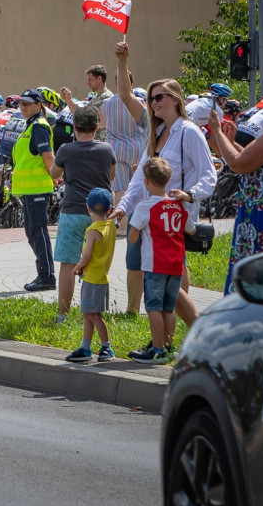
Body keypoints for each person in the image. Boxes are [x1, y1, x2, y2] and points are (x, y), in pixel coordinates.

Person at [110, 62, 216, 330]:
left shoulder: (189, 132)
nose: (153, 103)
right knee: (163, 276)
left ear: (175, 99)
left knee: (167, 277)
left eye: (158, 97)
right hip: (153, 217)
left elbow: (209, 175)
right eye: (150, 98)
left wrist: (190, 195)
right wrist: (123, 206)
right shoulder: (156, 134)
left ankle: (190, 331)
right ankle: (174, 334)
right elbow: (139, 179)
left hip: (174, 218)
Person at [208, 77, 263, 294]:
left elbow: (239, 164)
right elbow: (256, 163)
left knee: (255, 291)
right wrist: (227, 143)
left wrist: (217, 131)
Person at [49, 107, 116, 322]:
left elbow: (54, 173)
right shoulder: (106, 149)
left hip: (73, 211)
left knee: (68, 264)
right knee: (97, 264)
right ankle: (94, 311)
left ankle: (63, 315)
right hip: (100, 215)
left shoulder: (66, 150)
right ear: (96, 128)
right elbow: (111, 176)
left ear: (74, 128)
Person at [127, 157, 195, 364]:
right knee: (168, 308)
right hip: (175, 265)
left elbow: (132, 237)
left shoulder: (145, 207)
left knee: (153, 307)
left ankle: (156, 349)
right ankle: (169, 346)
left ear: (146, 181)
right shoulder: (179, 206)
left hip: (155, 264)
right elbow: (190, 229)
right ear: (168, 180)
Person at [64, 188, 118, 363]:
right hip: (99, 277)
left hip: (93, 279)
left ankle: (106, 347)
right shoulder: (110, 226)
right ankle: (86, 347)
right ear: (109, 209)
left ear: (88, 208)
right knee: (88, 314)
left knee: (94, 315)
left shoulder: (92, 231)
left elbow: (86, 256)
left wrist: (77, 267)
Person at [12, 89, 57, 292]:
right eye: (21, 104)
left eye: (28, 104)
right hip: (30, 190)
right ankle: (44, 274)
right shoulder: (30, 126)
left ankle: (47, 277)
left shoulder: (39, 126)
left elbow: (47, 156)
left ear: (39, 106)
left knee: (38, 232)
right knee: (32, 232)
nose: (23, 107)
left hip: (38, 188)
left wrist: (55, 176)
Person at [103, 43, 148, 236]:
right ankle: (136, 223)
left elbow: (104, 125)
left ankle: (122, 227)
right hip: (136, 145)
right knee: (136, 186)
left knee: (120, 187)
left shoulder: (105, 103)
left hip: (115, 147)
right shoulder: (139, 102)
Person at [60, 65, 114, 141]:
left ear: (99, 78)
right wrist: (68, 100)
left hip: (100, 145)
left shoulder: (106, 97)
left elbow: (84, 117)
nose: (87, 83)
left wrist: (69, 100)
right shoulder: (97, 97)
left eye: (90, 80)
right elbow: (80, 113)